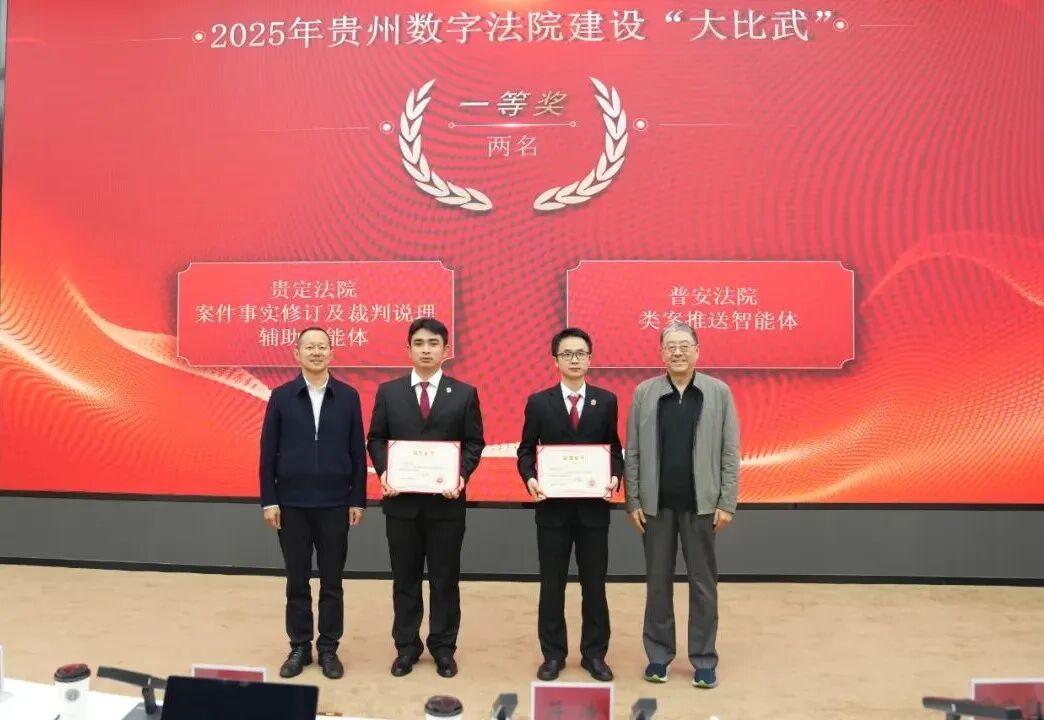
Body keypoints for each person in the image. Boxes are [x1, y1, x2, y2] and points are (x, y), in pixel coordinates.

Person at [367, 318, 485, 678]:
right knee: (405, 579)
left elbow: (474, 443)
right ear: (408, 349)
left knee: (444, 579)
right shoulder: (389, 392)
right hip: (401, 504)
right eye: (418, 343)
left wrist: (460, 476)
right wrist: (384, 472)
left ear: (446, 350)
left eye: (433, 343)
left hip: (446, 504)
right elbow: (376, 438)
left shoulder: (463, 393)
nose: (426, 350)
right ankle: (406, 647)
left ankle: (443, 648)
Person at [624, 321, 739, 689]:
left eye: (684, 345)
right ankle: (658, 657)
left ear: (697, 351)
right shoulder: (645, 393)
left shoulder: (718, 392)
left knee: (703, 585)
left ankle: (703, 659)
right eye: (670, 346)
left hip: (701, 506)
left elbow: (729, 451)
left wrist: (727, 502)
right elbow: (633, 451)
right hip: (656, 507)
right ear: (661, 353)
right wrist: (633, 499)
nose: (677, 352)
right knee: (657, 584)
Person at [259, 326, 366, 680]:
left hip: (336, 504)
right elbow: (267, 453)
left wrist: (357, 499)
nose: (316, 352)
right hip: (292, 505)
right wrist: (269, 500)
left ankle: (329, 648)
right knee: (297, 580)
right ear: (296, 353)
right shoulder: (281, 397)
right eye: (309, 347)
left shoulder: (348, 397)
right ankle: (300, 646)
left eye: (322, 347)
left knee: (332, 582)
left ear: (332, 353)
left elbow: (357, 451)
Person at [517, 328, 623, 682]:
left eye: (580, 353)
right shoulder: (539, 402)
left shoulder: (605, 401)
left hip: (593, 511)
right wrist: (531, 477)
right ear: (555, 360)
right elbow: (525, 450)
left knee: (594, 584)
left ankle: (594, 654)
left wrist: (614, 476)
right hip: (553, 511)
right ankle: (553, 654)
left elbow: (614, 449)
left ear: (590, 359)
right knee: (552, 585)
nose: (574, 360)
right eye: (567, 354)